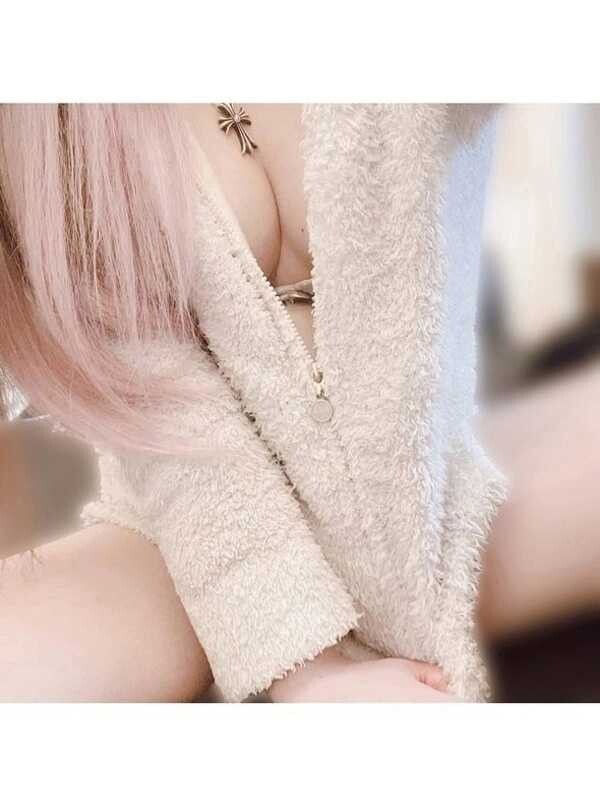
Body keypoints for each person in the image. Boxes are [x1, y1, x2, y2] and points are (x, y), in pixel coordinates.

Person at [1, 104, 599, 702]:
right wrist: (308, 671)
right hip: (195, 522)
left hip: (431, 491)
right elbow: (166, 413)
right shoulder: (57, 119)